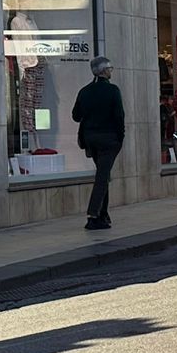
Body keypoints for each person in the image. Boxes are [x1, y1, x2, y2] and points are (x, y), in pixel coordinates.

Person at [73, 55, 125, 229]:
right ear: (104, 71)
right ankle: (93, 215)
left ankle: (103, 214)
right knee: (102, 177)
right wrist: (120, 137)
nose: (111, 71)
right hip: (109, 139)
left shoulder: (84, 91)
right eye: (110, 68)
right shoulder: (112, 90)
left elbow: (76, 116)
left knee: (104, 173)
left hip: (90, 139)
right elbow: (119, 117)